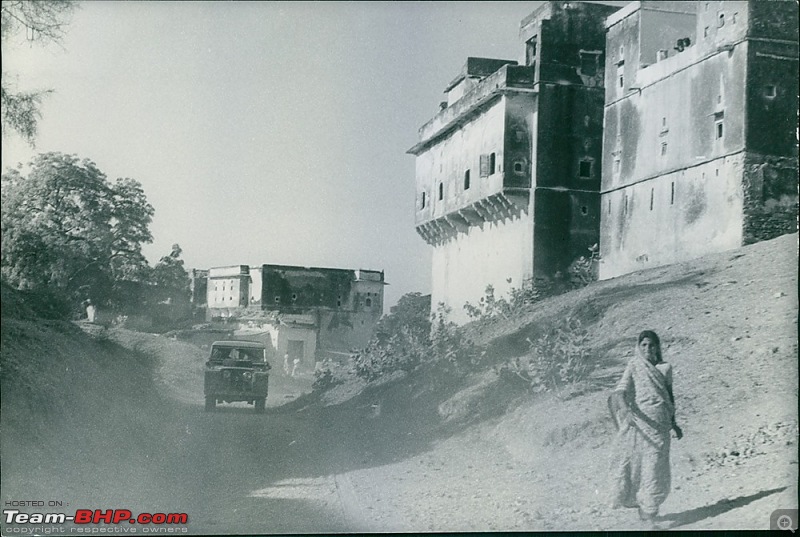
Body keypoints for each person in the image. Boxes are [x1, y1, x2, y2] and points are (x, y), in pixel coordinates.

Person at [608, 330, 683, 524]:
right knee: (642, 468)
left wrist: (674, 423)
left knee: (657, 468)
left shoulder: (666, 368)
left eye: (651, 345)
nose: (647, 349)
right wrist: (626, 411)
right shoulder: (634, 365)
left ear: (657, 347)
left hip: (662, 427)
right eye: (643, 345)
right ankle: (649, 517)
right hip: (640, 426)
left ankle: (648, 509)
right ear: (639, 347)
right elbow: (619, 393)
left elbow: (668, 395)